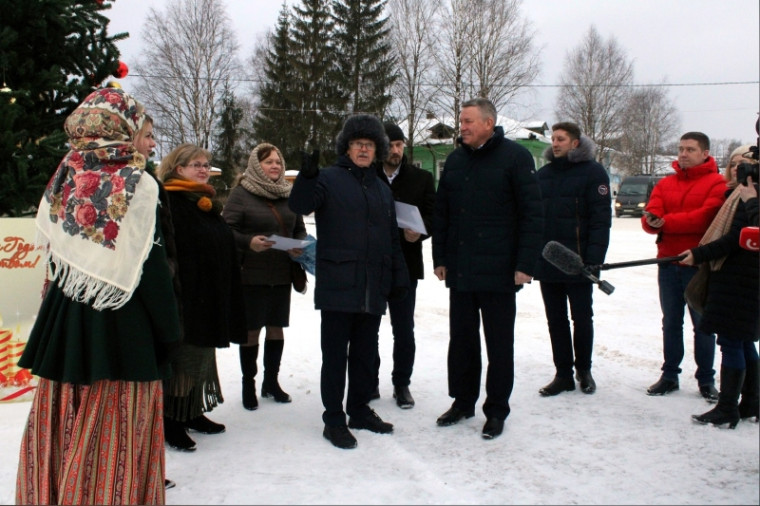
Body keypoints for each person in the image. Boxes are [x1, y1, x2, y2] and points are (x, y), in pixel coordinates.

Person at [15, 87, 181, 504]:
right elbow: (150, 269)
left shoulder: (67, 174)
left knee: (66, 412)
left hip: (67, 321)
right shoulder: (138, 185)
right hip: (122, 328)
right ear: (121, 133)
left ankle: (56, 491)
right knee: (115, 428)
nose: (151, 141)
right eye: (145, 132)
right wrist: (170, 330)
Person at [289, 114, 409, 450]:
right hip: (339, 283)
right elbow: (299, 204)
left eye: (369, 145)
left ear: (377, 150)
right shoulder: (328, 178)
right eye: (357, 144)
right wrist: (307, 177)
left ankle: (358, 409)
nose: (363, 150)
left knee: (365, 354)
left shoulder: (381, 187)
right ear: (347, 147)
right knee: (335, 355)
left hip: (374, 283)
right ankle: (334, 419)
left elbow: (392, 238)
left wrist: (398, 276)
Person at [431, 98, 544, 440]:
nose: (461, 127)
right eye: (461, 121)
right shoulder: (454, 160)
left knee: (498, 345)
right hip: (462, 269)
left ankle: (496, 410)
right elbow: (443, 213)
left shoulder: (516, 157)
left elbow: (532, 214)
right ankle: (462, 402)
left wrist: (526, 264)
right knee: (462, 342)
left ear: (487, 123)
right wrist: (440, 257)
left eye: (467, 121)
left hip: (500, 271)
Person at [156, 144, 246, 452]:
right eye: (196, 164)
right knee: (187, 360)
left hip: (210, 295)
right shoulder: (169, 201)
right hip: (188, 296)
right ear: (178, 169)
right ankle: (172, 420)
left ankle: (192, 411)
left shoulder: (203, 201)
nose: (204, 168)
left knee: (203, 356)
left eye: (206, 164)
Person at [642, 131, 727, 399]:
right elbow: (650, 216)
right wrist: (654, 221)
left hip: (698, 264)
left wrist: (667, 222)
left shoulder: (717, 183)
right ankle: (669, 375)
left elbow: (705, 219)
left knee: (702, 324)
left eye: (690, 149)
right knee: (671, 322)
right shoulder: (665, 183)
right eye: (680, 149)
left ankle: (705, 379)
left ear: (705, 153)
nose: (683, 154)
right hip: (667, 262)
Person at [222, 143, 307, 410]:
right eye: (269, 162)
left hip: (281, 272)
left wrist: (299, 245)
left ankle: (271, 382)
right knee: (251, 331)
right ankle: (249, 384)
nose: (275, 166)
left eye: (278, 162)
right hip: (250, 274)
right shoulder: (241, 194)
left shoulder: (289, 194)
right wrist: (249, 242)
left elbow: (300, 229)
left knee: (276, 327)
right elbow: (226, 231)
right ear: (256, 166)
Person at [533, 122, 611, 396]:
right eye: (553, 139)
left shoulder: (593, 172)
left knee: (582, 317)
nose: (555, 143)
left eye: (561, 139)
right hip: (549, 260)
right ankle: (563, 374)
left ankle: (584, 370)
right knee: (556, 320)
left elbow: (601, 220)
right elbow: (533, 219)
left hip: (579, 262)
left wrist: (594, 259)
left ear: (575, 143)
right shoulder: (543, 175)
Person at [681, 161, 759, 428]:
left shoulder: (749, 195)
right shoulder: (738, 195)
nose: (740, 170)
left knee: (732, 342)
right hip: (745, 276)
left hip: (739, 278)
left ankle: (727, 408)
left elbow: (736, 237)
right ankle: (751, 402)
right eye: (736, 164)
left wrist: (699, 254)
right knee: (744, 341)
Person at [371, 122, 436, 408]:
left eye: (399, 144)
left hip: (406, 264)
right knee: (367, 328)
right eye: (390, 145)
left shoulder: (420, 178)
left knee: (403, 329)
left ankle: (402, 384)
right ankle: (368, 382)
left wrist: (421, 232)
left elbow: (434, 216)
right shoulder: (365, 176)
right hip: (371, 264)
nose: (396, 150)